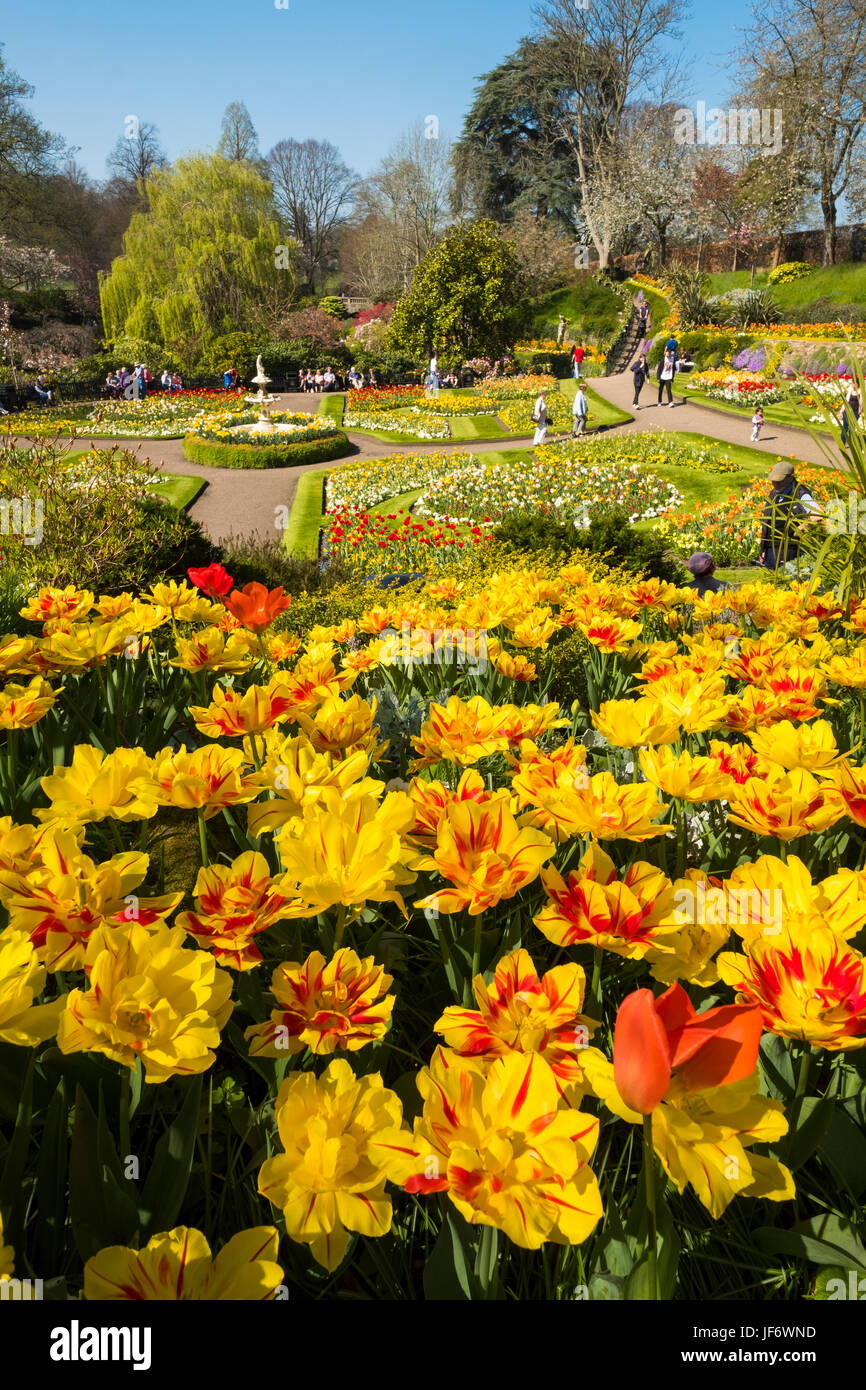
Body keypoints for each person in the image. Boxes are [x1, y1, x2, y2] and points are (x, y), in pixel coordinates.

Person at [759, 460, 821, 577]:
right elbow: (767, 521)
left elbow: (817, 515)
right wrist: (763, 549)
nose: (775, 483)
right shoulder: (774, 492)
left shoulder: (800, 493)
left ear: (790, 478)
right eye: (774, 480)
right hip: (772, 550)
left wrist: (798, 530)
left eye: (779, 480)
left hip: (790, 550)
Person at [841, 382, 861, 447]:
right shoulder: (850, 391)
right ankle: (842, 443)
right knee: (845, 428)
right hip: (847, 412)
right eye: (851, 383)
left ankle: (851, 444)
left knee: (852, 428)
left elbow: (862, 403)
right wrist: (841, 411)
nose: (852, 385)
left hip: (855, 412)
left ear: (857, 384)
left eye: (853, 383)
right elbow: (846, 402)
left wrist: (860, 411)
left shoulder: (861, 392)